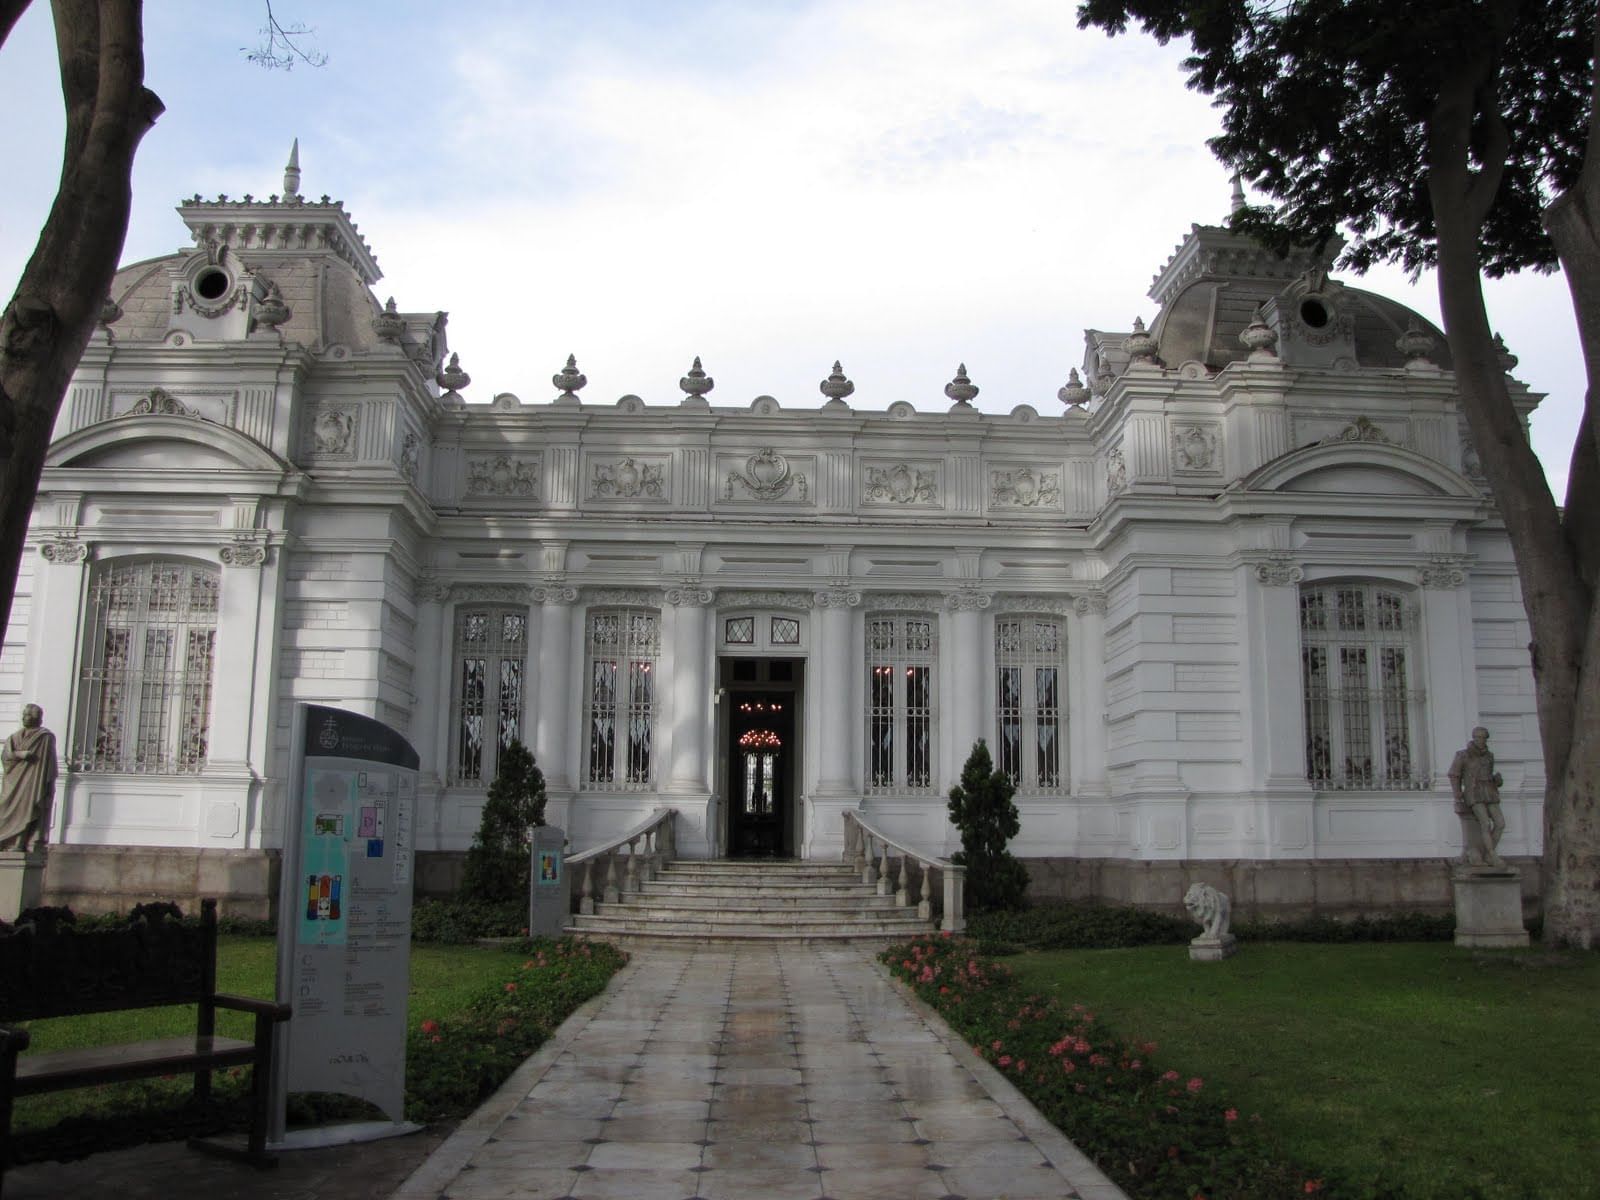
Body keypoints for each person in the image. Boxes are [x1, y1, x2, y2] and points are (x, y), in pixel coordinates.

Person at [0, 704, 58, 853]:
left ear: (37, 718)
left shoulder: (45, 737)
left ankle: (19, 844)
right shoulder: (14, 737)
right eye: (24, 714)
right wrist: (20, 755)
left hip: (32, 782)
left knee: (27, 810)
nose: (24, 718)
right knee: (6, 809)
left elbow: (48, 762)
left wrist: (47, 785)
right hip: (13, 782)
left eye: (28, 715)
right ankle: (6, 841)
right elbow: (6, 756)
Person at [1448, 726, 1505, 868]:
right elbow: (1454, 774)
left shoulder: (1489, 756)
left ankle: (1487, 854)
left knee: (1500, 823)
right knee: (1485, 823)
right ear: (1473, 738)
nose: (1480, 740)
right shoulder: (1463, 755)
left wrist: (1497, 780)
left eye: (1483, 737)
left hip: (1490, 791)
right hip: (1474, 792)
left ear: (1486, 739)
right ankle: (1492, 855)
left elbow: (1488, 775)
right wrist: (1457, 793)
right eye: (1477, 737)